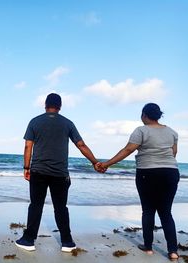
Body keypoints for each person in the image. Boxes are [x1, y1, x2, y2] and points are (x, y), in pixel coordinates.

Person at [15, 93, 101, 252]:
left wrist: (26, 168)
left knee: (36, 206)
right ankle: (67, 242)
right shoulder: (68, 123)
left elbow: (28, 147)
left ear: (45, 105)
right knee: (61, 208)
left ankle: (28, 240)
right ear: (60, 106)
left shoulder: (35, 121)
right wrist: (95, 162)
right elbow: (81, 145)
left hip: (38, 172)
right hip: (60, 173)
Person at [97, 103, 180, 261]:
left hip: (147, 173)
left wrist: (106, 164)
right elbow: (173, 153)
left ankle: (148, 247)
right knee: (166, 212)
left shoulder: (141, 130)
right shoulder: (172, 132)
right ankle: (173, 251)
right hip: (171, 173)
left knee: (148, 210)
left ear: (144, 115)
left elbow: (128, 150)